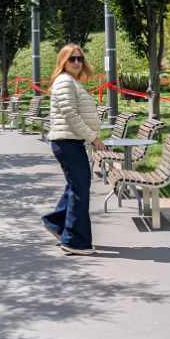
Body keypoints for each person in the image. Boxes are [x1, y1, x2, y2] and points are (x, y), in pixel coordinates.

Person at [42, 44, 105, 255]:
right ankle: (74, 241)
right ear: (63, 61)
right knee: (80, 190)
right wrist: (93, 138)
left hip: (71, 141)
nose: (77, 62)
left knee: (77, 186)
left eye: (79, 58)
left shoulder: (71, 81)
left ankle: (58, 224)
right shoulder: (64, 81)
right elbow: (70, 115)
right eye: (72, 59)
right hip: (67, 142)